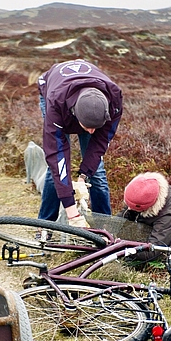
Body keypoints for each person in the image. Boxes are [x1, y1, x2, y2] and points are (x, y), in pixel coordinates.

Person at [37, 59, 123, 227]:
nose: (91, 132)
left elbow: (100, 143)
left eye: (95, 128)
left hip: (89, 101)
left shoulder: (114, 101)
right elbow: (57, 156)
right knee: (55, 169)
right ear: (75, 116)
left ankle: (104, 227)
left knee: (96, 171)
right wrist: (72, 212)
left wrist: (83, 176)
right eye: (87, 127)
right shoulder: (56, 103)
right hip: (53, 91)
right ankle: (45, 226)